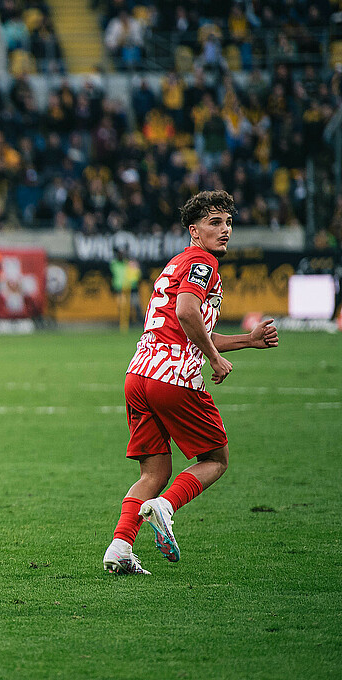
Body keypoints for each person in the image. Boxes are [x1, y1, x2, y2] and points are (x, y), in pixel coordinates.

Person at [103, 191, 279, 575]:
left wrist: (246, 341)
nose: (225, 230)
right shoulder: (202, 262)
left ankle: (119, 547)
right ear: (193, 230)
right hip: (173, 377)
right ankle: (164, 508)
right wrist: (214, 358)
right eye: (215, 222)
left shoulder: (177, 262)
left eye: (229, 222)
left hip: (139, 375)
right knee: (215, 459)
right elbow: (186, 313)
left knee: (153, 473)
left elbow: (188, 327)